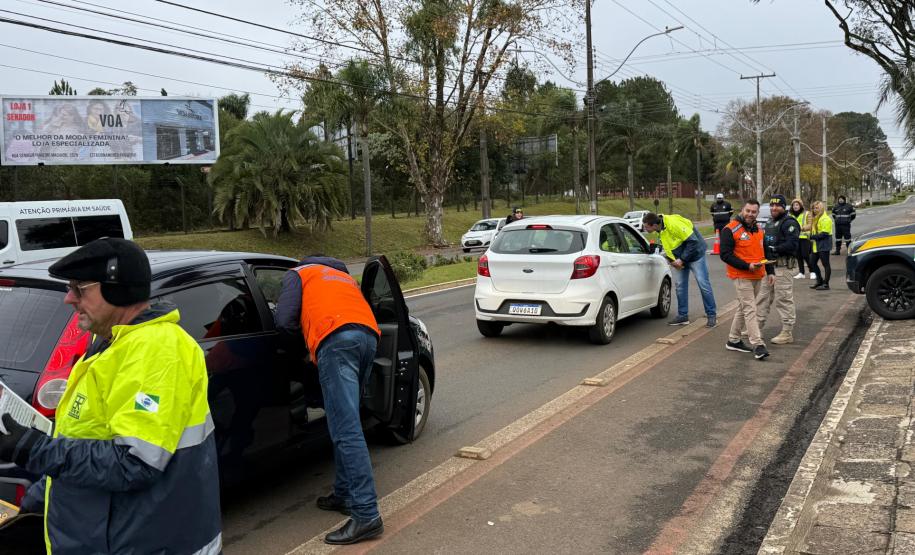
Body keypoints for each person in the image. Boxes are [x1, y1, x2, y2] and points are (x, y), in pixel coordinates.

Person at [0, 238, 222, 554]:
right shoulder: (112, 344)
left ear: (119, 289)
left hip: (139, 541)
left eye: (79, 289)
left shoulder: (156, 351)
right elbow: (87, 436)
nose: (68, 299)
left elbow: (135, 463)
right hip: (103, 533)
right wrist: (42, 493)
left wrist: (35, 450)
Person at [274, 255, 384, 545]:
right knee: (346, 421)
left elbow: (283, 321)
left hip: (336, 341)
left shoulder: (299, 273)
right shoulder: (343, 278)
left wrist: (300, 354)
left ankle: (366, 513)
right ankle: (344, 494)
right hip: (369, 338)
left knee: (346, 429)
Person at [642, 212, 717, 327]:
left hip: (695, 255)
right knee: (680, 286)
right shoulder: (660, 229)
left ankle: (711, 315)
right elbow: (669, 245)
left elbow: (693, 241)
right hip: (680, 258)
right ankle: (683, 316)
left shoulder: (673, 224)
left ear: (653, 225)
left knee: (703, 284)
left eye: (646, 226)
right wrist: (671, 260)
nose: (644, 228)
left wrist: (681, 260)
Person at [719, 200, 771, 360]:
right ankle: (758, 344)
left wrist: (771, 271)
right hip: (741, 275)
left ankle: (733, 340)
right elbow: (725, 255)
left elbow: (766, 251)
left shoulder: (759, 229)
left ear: (757, 213)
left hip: (758, 275)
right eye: (748, 211)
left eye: (753, 212)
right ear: (742, 210)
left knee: (744, 307)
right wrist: (747, 266)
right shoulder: (730, 229)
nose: (750, 214)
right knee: (750, 309)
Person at [756, 195, 800, 345]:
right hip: (769, 267)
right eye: (772, 205)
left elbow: (793, 244)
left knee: (783, 299)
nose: (774, 208)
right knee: (762, 298)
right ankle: (756, 328)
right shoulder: (769, 222)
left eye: (778, 206)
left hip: (783, 267)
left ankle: (787, 332)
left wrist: (775, 249)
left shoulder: (789, 223)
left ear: (784, 207)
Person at [808, 200, 834, 290]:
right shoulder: (816, 218)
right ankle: (819, 281)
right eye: (814, 208)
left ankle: (826, 284)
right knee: (812, 262)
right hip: (817, 244)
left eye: (817, 208)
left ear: (821, 208)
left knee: (825, 264)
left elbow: (825, 234)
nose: (815, 210)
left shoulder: (825, 219)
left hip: (824, 243)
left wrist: (812, 237)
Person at [789, 198, 812, 279]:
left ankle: (812, 271)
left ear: (800, 205)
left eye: (797, 205)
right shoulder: (790, 215)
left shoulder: (807, 213)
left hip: (804, 237)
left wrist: (800, 228)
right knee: (798, 256)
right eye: (793, 205)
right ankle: (801, 273)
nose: (795, 206)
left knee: (806, 255)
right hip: (795, 238)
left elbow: (810, 225)